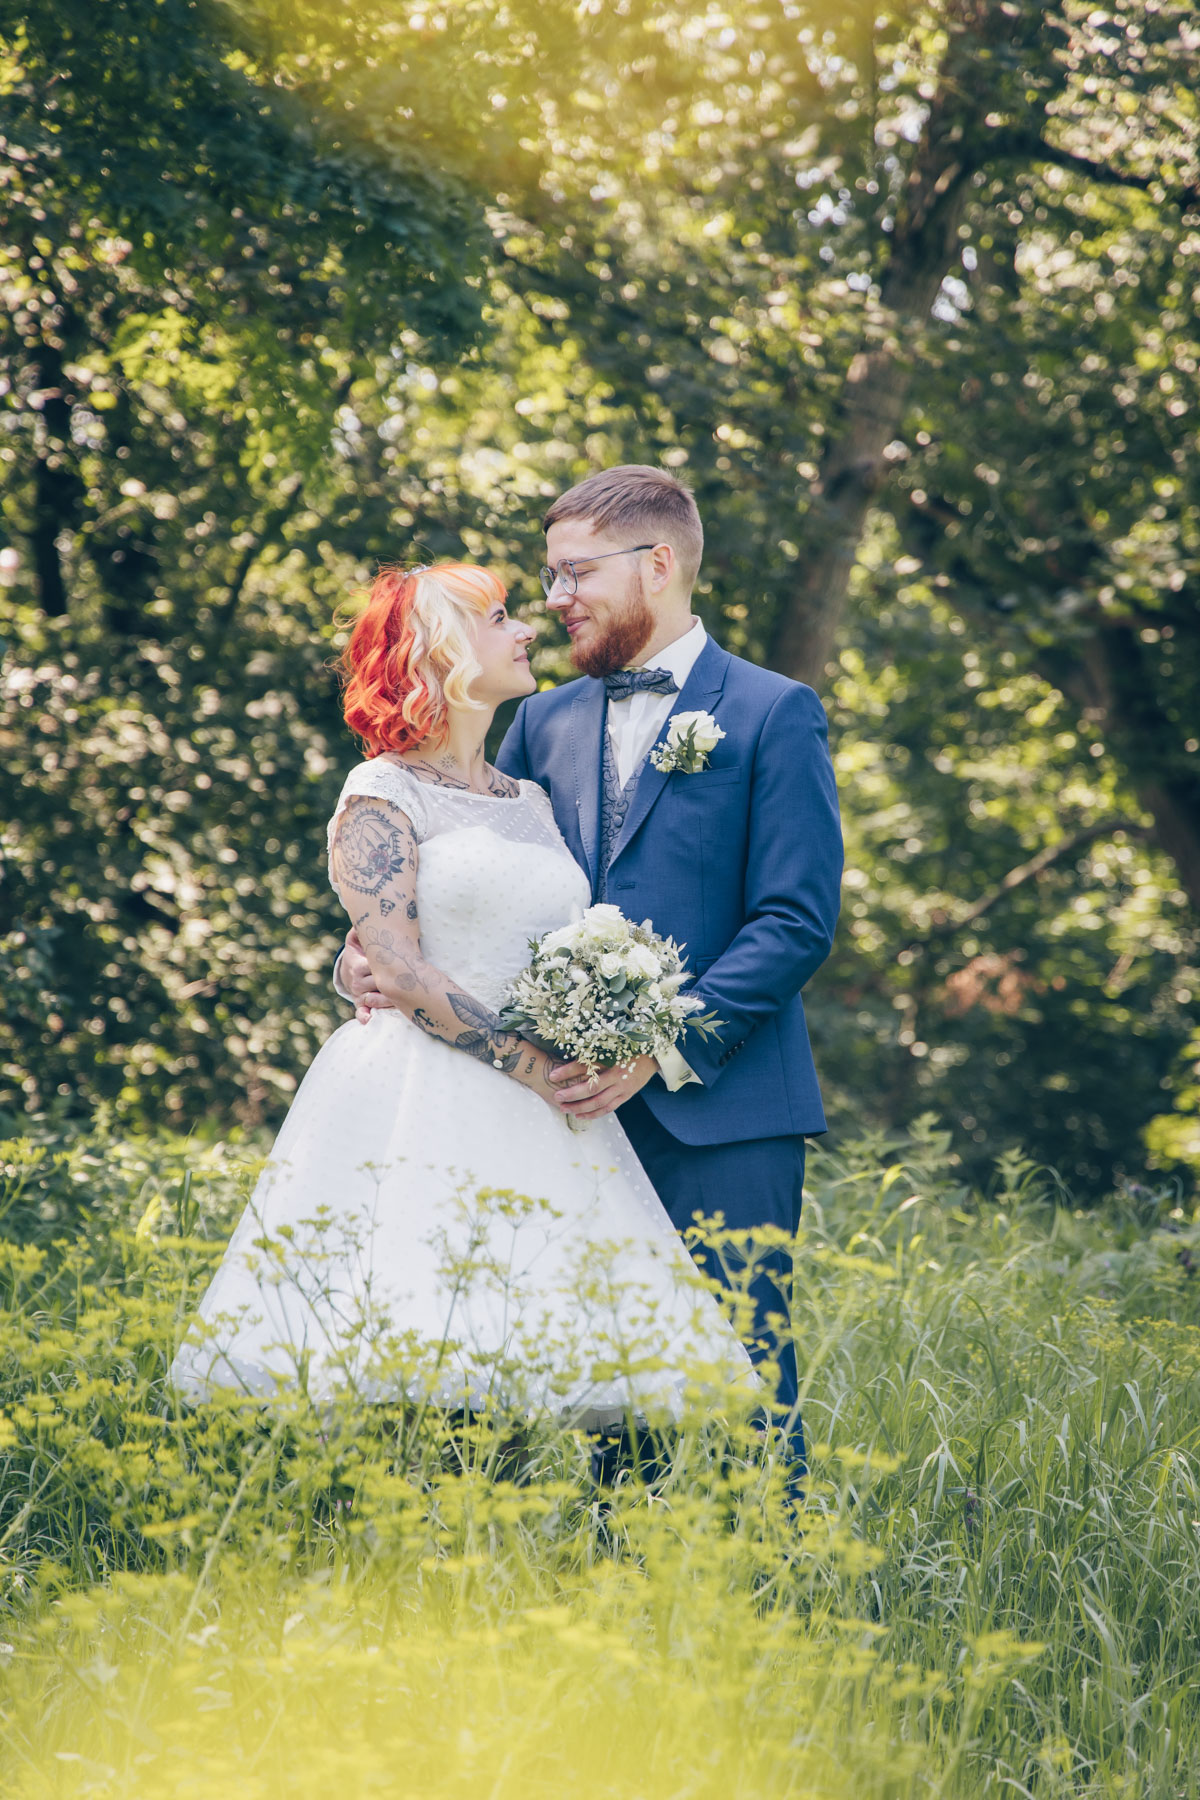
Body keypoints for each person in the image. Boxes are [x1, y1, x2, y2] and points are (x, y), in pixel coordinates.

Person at [338, 468, 843, 1479]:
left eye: (574, 574)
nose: (555, 598)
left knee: (742, 1379)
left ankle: (778, 1597)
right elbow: (472, 884)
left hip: (721, 1111)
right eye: (548, 577)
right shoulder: (544, 721)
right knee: (604, 1396)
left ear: (658, 564)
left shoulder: (772, 712)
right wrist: (368, 962)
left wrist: (657, 1051)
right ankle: (620, 1602)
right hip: (557, 1116)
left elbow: (795, 922)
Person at [170, 561, 752, 1423]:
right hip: (422, 1093)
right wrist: (531, 1065)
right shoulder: (381, 790)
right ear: (440, 651)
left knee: (526, 1355)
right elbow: (397, 965)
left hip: (545, 1116)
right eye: (500, 618)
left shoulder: (530, 800)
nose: (527, 631)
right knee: (418, 1343)